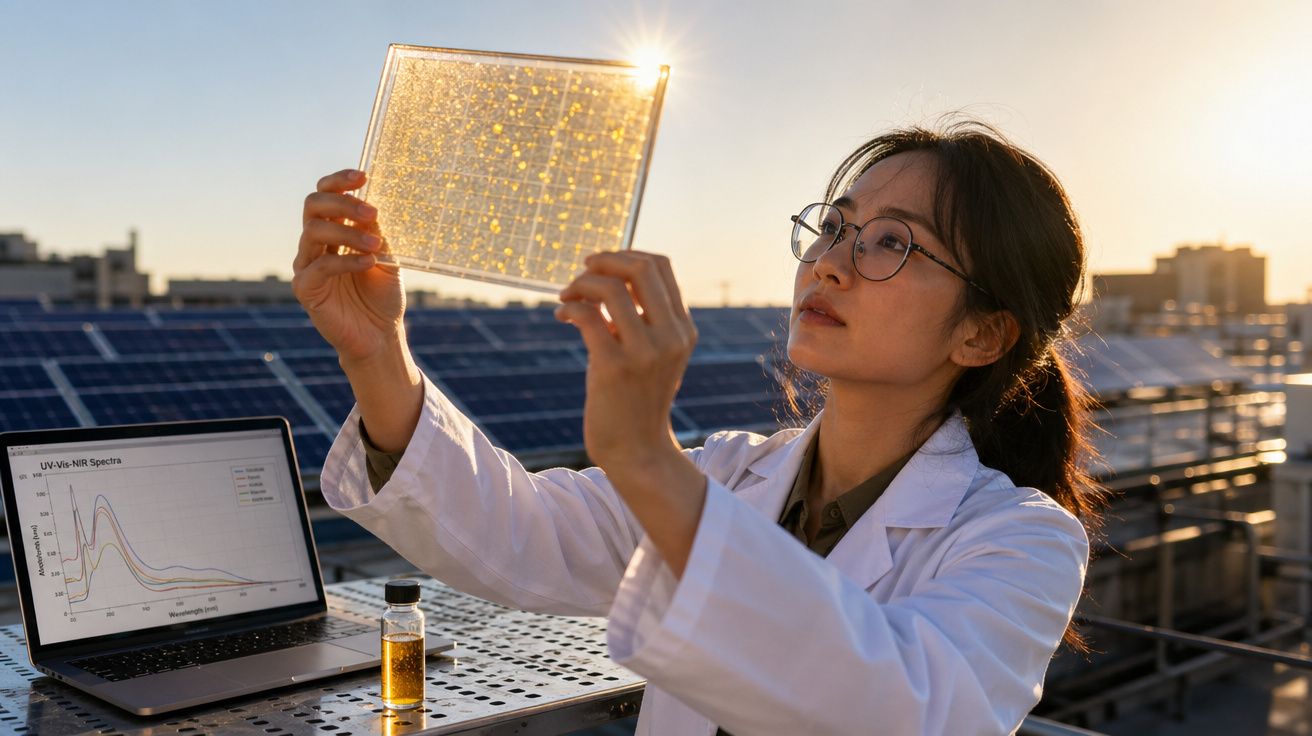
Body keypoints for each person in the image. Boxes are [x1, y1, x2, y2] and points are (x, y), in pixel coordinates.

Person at [293, 119, 1106, 736]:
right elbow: (516, 532)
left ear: (983, 334)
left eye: (893, 242)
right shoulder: (727, 476)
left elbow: (900, 709)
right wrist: (376, 351)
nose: (828, 262)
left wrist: (647, 460)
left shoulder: (1020, 542)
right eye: (835, 225)